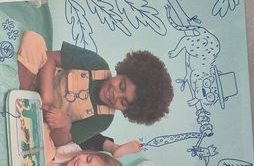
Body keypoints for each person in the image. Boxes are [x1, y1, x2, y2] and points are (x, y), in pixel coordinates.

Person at [17, 31, 173, 150]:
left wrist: (64, 126)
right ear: (124, 71)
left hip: (42, 121)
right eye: (121, 86)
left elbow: (61, 142)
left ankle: (24, 102)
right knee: (34, 41)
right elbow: (49, 58)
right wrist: (47, 98)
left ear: (127, 111)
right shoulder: (97, 64)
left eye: (123, 102)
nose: (115, 95)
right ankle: (25, 90)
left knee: (49, 152)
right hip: (39, 77)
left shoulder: (103, 120)